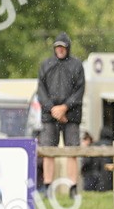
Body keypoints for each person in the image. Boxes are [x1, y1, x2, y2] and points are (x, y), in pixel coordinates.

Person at [36, 33, 85, 195]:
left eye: (63, 47)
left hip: (71, 115)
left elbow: (80, 90)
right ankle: (48, 186)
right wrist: (53, 109)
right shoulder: (46, 64)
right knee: (48, 150)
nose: (60, 50)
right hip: (49, 115)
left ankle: (72, 186)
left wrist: (65, 108)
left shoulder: (77, 65)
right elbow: (41, 91)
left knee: (72, 151)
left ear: (68, 48)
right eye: (58, 47)